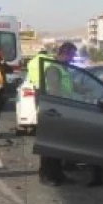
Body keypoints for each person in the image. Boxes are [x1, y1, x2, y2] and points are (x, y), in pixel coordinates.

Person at [35, 42, 80, 185]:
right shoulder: (54, 69)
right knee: (50, 146)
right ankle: (46, 175)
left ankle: (57, 174)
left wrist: (87, 89)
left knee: (58, 146)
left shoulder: (63, 69)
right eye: (72, 55)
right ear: (65, 53)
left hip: (61, 109)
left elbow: (71, 86)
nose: (73, 59)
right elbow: (55, 90)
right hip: (53, 111)